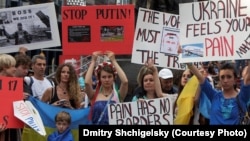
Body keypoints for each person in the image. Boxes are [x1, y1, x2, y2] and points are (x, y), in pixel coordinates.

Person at [84, 51, 128, 125]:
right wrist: (93, 61)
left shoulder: (118, 94)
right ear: (99, 78)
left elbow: (125, 82)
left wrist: (114, 61)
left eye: (110, 76)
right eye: (104, 77)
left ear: (114, 78)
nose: (107, 79)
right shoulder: (94, 95)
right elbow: (87, 83)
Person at [0, 53, 20, 141]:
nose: (15, 69)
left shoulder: (15, 85)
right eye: (12, 66)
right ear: (4, 67)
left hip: (12, 129)